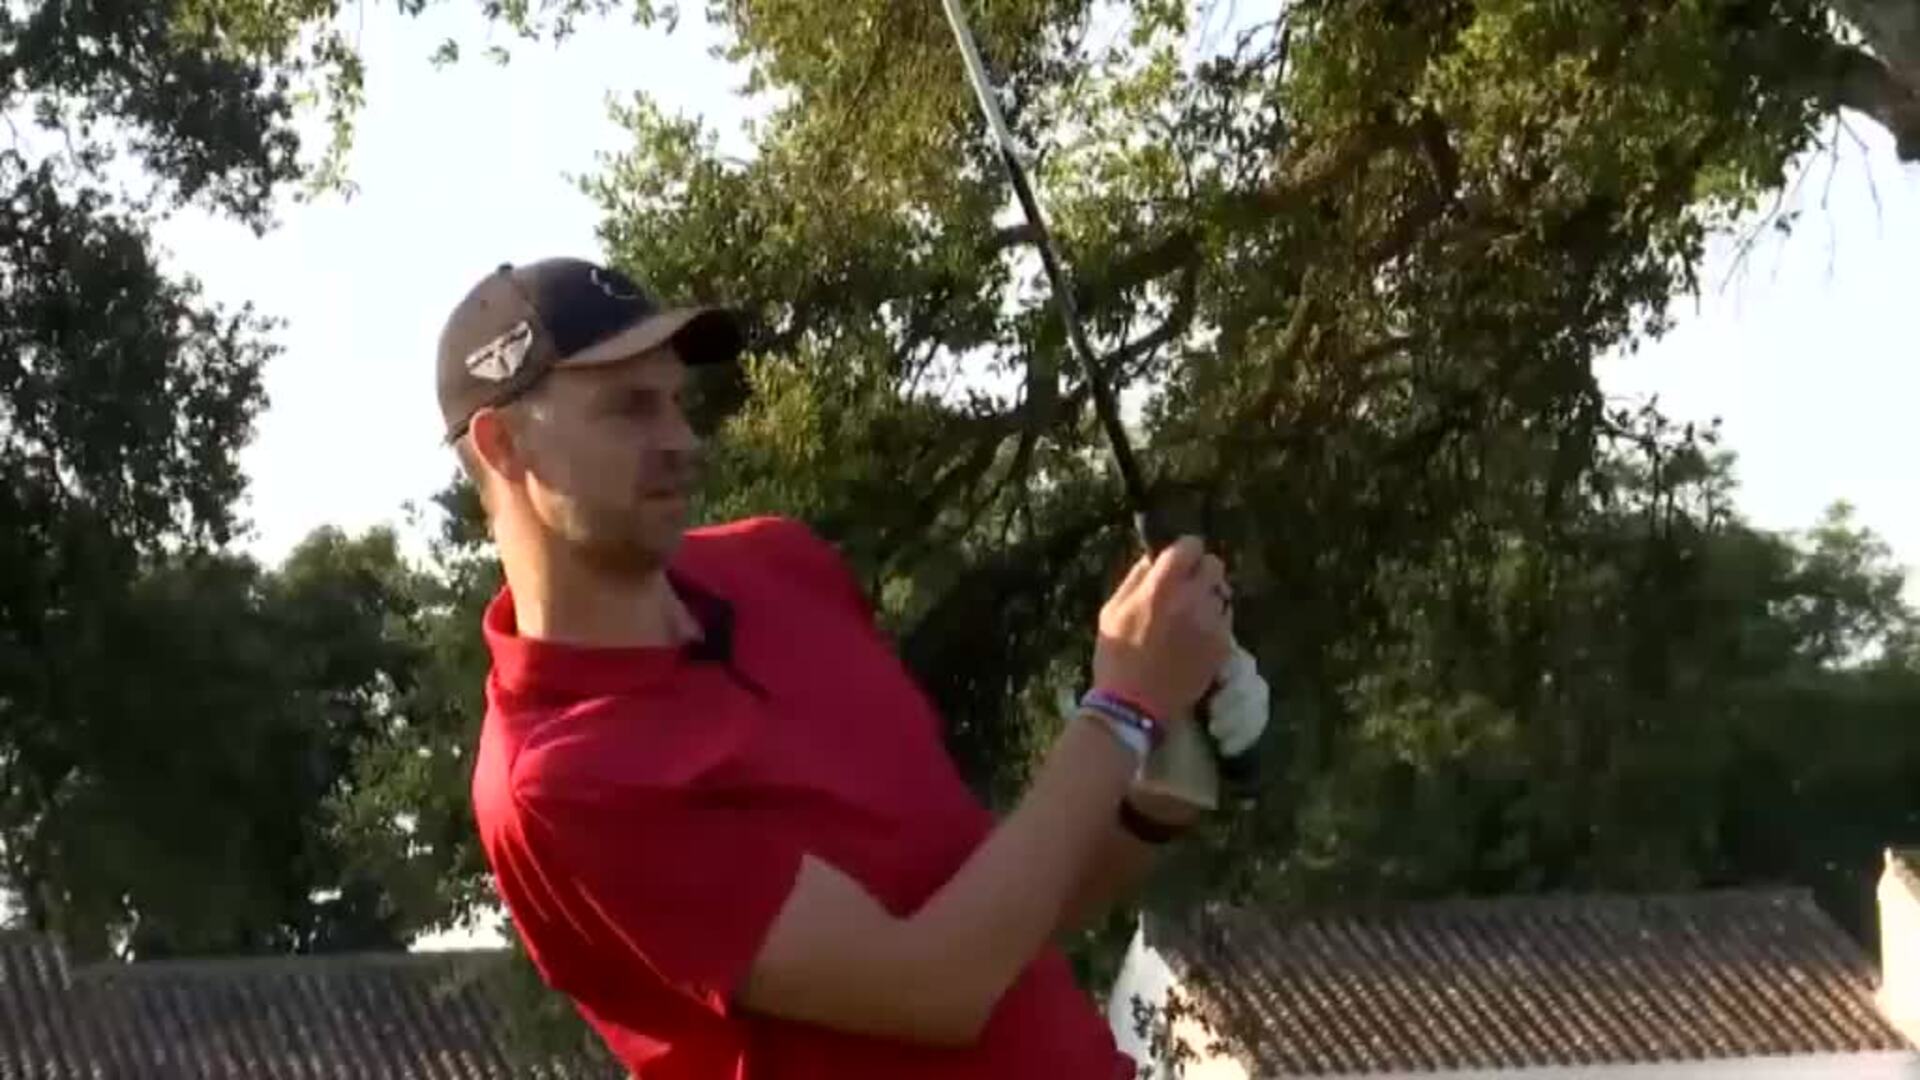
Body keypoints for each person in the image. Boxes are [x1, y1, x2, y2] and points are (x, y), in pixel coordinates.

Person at [434, 256, 1266, 1079]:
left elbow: (995, 927)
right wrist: (1119, 709)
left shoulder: (779, 565)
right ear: (502, 445)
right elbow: (932, 986)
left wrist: (1150, 790)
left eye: (677, 403)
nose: (681, 440)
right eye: (629, 408)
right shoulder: (560, 782)